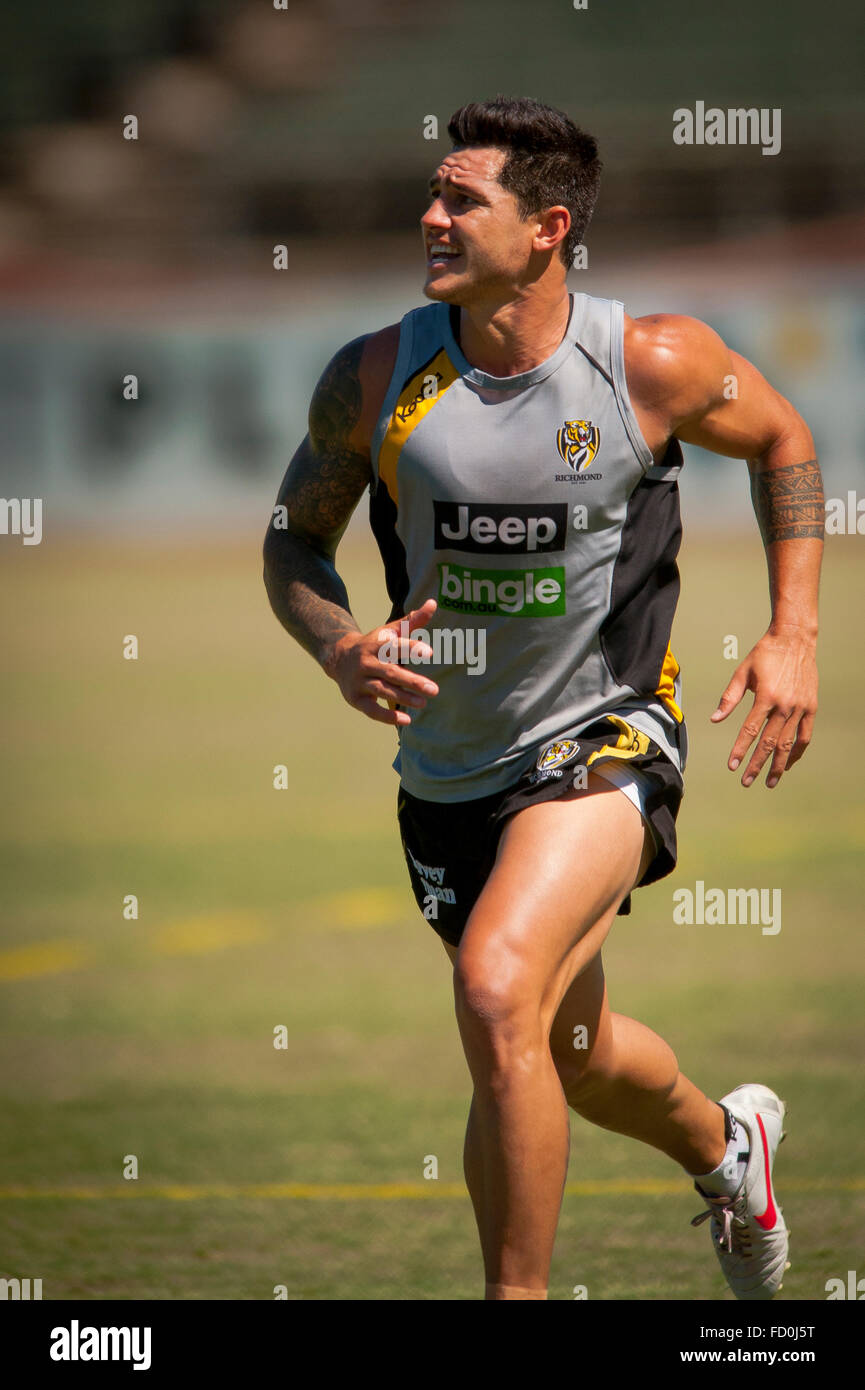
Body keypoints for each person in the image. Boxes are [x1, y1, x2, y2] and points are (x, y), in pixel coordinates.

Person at [262, 96, 823, 1301]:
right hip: (448, 772)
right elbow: (290, 545)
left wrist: (792, 631)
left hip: (607, 731)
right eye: (434, 191)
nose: (431, 213)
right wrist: (336, 645)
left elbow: (783, 440)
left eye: (463, 198)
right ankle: (733, 1148)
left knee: (495, 987)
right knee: (564, 1053)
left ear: (548, 227)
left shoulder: (649, 362)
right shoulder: (373, 376)